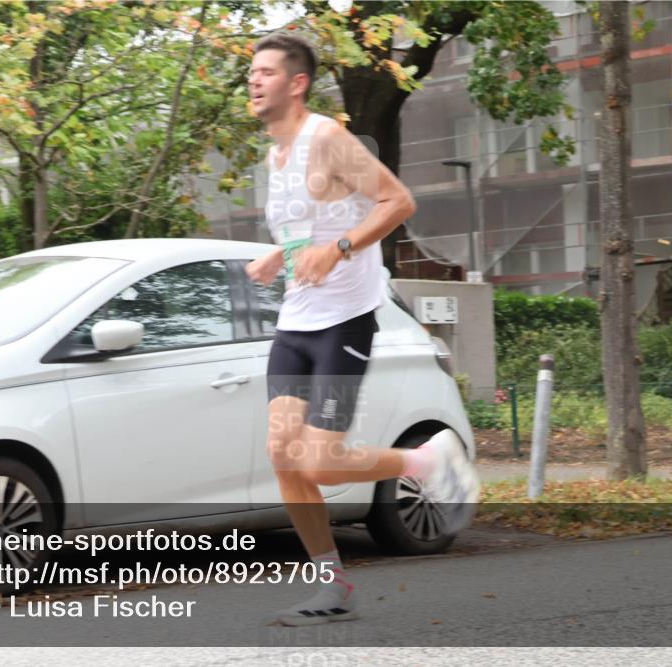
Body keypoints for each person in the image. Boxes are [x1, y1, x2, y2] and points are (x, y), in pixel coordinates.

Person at [244, 32, 479, 627]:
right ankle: (333, 583)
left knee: (319, 463)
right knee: (284, 458)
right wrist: (283, 256)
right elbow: (312, 224)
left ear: (296, 83)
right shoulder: (276, 152)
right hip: (296, 322)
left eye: (266, 72)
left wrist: (342, 249)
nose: (253, 80)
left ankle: (424, 463)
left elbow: (397, 202)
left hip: (345, 321)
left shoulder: (326, 138)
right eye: (252, 71)